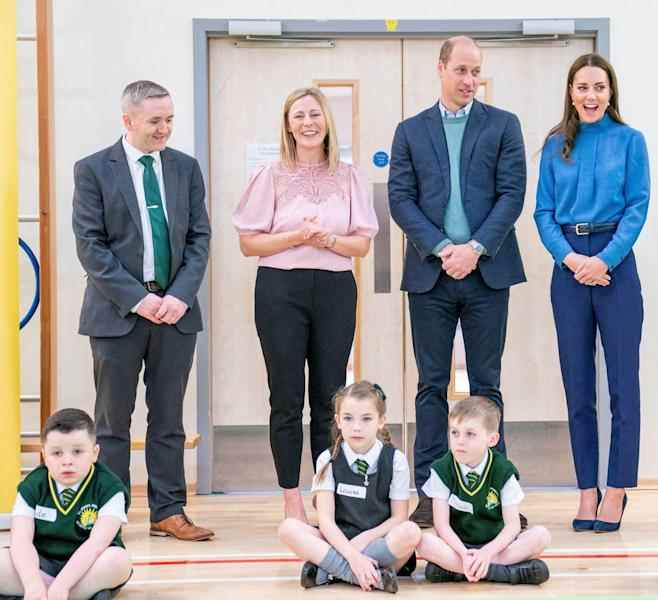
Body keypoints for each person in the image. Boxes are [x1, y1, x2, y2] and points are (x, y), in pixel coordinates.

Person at [388, 36, 527, 528]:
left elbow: (512, 195)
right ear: (441, 67)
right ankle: (431, 494)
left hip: (488, 272)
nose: (469, 81)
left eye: (476, 73)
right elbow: (400, 200)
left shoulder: (504, 126)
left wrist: (475, 249)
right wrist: (444, 249)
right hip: (431, 275)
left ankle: (498, 497)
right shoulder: (410, 131)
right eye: (461, 71)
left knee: (487, 386)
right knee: (432, 385)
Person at [72, 80, 213, 541]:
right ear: (127, 120)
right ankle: (109, 518)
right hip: (118, 314)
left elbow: (199, 239)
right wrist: (139, 298)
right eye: (155, 120)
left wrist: (179, 296)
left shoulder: (185, 169)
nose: (164, 128)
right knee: (112, 422)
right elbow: (91, 248)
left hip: (176, 312)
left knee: (169, 418)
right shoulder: (93, 170)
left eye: (169, 119)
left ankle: (168, 512)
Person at [233, 87, 379, 523]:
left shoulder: (349, 176)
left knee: (329, 397)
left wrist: (329, 240)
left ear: (327, 121)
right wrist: (297, 236)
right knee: (286, 397)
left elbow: (362, 245)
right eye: (299, 115)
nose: (308, 122)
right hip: (280, 289)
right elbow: (248, 242)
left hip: (334, 288)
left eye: (315, 114)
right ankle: (291, 498)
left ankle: (324, 494)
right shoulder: (270, 174)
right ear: (288, 123)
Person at [533, 53, 649, 533]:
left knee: (623, 385)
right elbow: (542, 212)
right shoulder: (555, 144)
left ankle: (617, 488)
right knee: (578, 386)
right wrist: (573, 260)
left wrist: (604, 260)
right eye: (582, 87)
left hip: (615, 265)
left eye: (599, 87)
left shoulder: (630, 141)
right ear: (570, 92)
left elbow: (638, 206)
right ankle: (586, 488)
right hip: (569, 267)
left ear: (611, 92)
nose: (591, 95)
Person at [277, 382, 420, 594]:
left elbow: (399, 518)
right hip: (339, 540)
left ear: (381, 421)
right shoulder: (327, 459)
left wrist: (364, 540)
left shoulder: (395, 460)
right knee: (288, 528)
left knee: (411, 532)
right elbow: (325, 521)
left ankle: (331, 571)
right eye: (348, 418)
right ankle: (370, 576)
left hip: (376, 542)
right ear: (338, 421)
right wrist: (352, 556)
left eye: (366, 419)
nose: (356, 427)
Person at [416, 396, 551, 585]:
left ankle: (459, 571)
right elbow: (441, 525)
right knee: (422, 542)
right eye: (454, 433)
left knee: (541, 536)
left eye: (470, 434)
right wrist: (464, 554)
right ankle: (502, 573)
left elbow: (513, 526)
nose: (460, 441)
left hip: (497, 547)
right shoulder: (441, 469)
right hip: (458, 547)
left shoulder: (504, 471)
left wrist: (487, 553)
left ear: (492, 439)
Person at [0, 409, 132, 600]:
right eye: (57, 453)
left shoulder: (110, 488)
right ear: (44, 455)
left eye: (77, 451)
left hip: (89, 566)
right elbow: (21, 540)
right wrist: (32, 584)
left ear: (95, 453)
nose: (67, 461)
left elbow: (96, 544)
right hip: (41, 565)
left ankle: (57, 594)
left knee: (118, 561)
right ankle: (71, 595)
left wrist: (61, 586)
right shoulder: (32, 485)